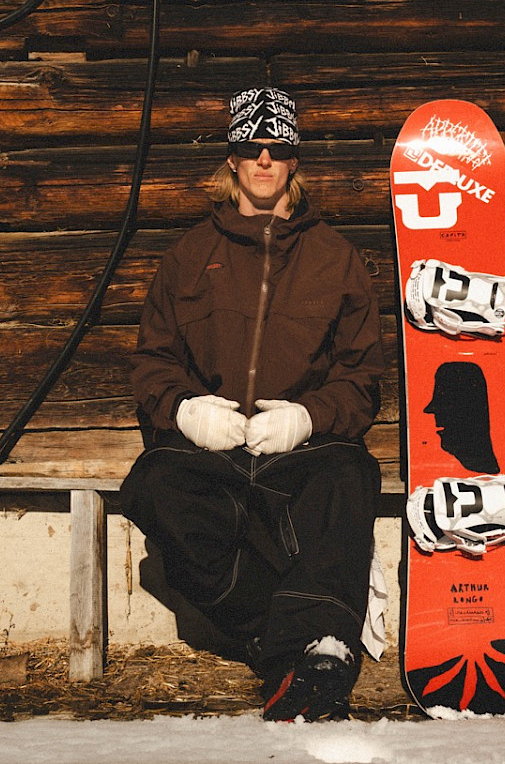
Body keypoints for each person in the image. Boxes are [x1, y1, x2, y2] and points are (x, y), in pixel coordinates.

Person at [119, 86, 387, 721]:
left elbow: (361, 375)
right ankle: (293, 643)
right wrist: (188, 411)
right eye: (251, 147)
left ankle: (317, 650)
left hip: (298, 450)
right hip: (213, 450)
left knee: (349, 477)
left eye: (278, 148)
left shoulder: (334, 258)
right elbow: (153, 360)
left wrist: (306, 418)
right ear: (232, 160)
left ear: (294, 160)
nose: (264, 160)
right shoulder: (189, 257)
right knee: (153, 487)